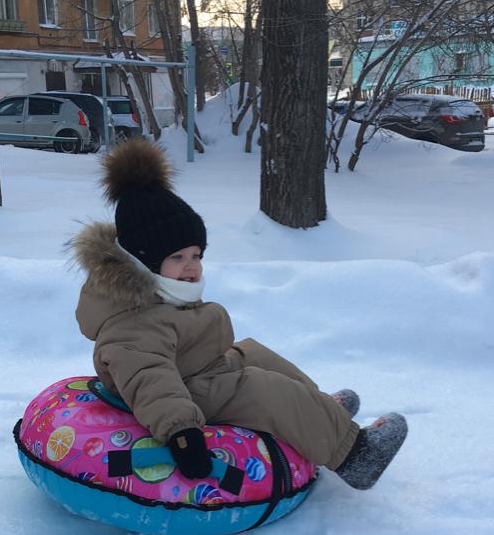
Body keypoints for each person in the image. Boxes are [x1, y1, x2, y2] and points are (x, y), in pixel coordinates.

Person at [71, 139, 407, 490]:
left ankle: (322, 413)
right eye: (177, 258)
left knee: (254, 354)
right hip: (182, 392)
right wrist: (181, 431)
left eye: (196, 255)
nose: (191, 267)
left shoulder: (161, 292)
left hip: (198, 371)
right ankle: (356, 455)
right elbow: (149, 377)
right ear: (143, 261)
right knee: (262, 388)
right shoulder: (131, 322)